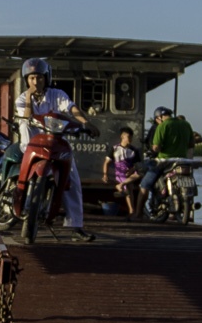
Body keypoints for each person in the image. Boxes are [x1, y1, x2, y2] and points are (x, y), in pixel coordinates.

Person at [13, 56, 95, 239]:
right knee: (25, 125)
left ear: (46, 78)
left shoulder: (57, 94)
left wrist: (86, 123)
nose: (36, 81)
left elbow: (71, 108)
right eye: (32, 78)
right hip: (32, 146)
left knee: (71, 178)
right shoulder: (21, 99)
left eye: (39, 77)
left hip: (55, 144)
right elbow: (26, 116)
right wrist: (28, 95)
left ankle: (76, 226)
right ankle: (22, 205)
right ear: (26, 79)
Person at [139, 106, 196, 210]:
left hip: (164, 161)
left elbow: (156, 148)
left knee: (145, 184)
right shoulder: (186, 124)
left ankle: (137, 213)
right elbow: (191, 144)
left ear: (159, 117)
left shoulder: (162, 126)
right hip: (182, 160)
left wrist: (155, 149)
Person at [102, 127, 145, 217]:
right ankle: (131, 210)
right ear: (122, 137)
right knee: (129, 188)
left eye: (131, 137)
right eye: (128, 137)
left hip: (130, 174)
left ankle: (121, 188)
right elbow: (107, 163)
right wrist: (105, 175)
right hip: (119, 173)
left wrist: (131, 170)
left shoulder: (134, 150)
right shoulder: (115, 148)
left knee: (140, 174)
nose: (130, 139)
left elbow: (137, 165)